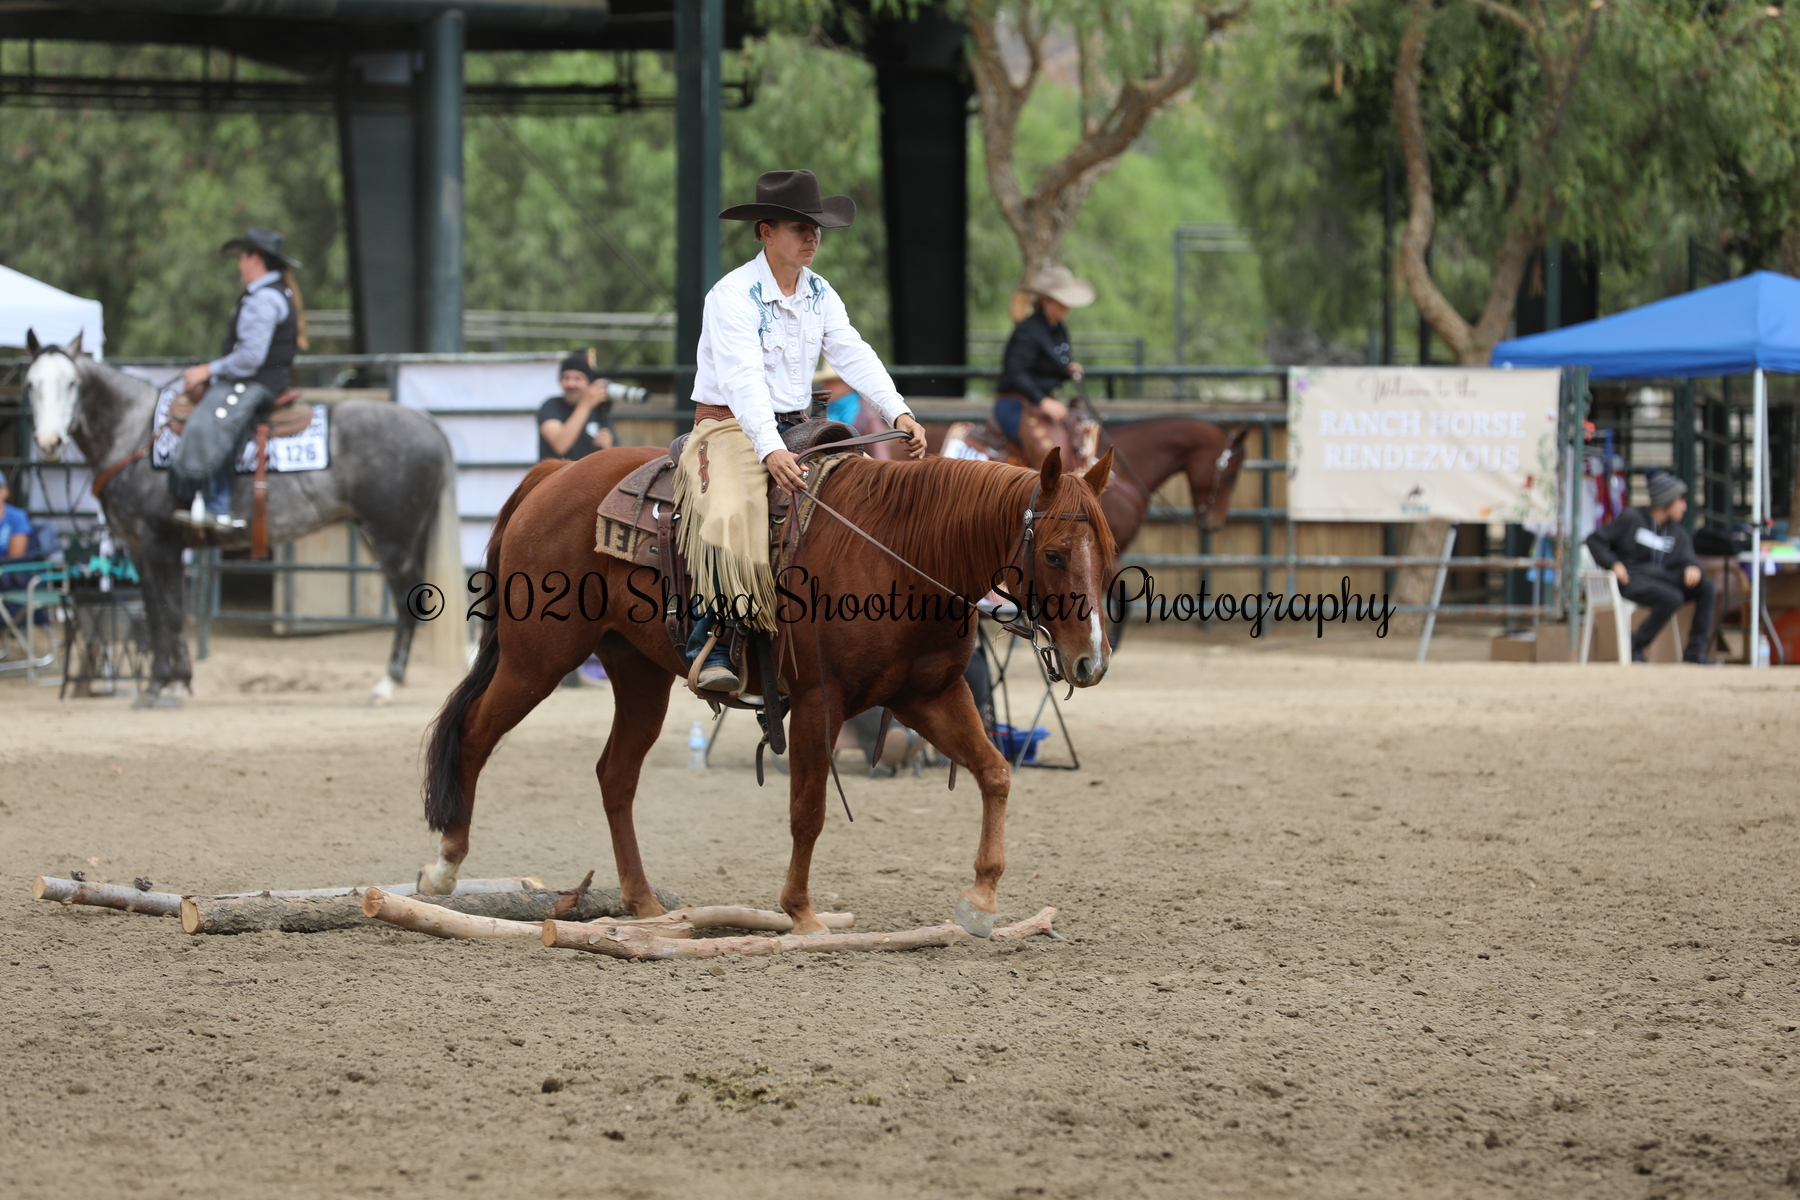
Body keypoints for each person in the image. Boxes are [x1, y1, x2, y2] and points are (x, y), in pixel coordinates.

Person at [679, 168, 928, 691]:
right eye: (799, 226)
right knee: (732, 508)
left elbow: (852, 352)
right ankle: (715, 638)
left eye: (816, 227)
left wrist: (897, 413)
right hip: (729, 426)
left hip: (800, 424)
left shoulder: (819, 291)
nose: (812, 236)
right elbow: (743, 379)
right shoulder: (732, 295)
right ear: (765, 232)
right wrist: (770, 448)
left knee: (871, 496)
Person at [171, 227, 307, 528]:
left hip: (258, 382)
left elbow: (250, 358)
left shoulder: (263, 299)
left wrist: (209, 370)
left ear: (255, 259)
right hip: (264, 380)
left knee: (214, 419)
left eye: (242, 257)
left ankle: (217, 506)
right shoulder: (271, 294)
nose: (239, 265)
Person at [1585, 470, 1718, 664]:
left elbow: (1689, 559)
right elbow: (1594, 540)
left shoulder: (1677, 532)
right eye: (1680, 501)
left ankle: (1695, 652)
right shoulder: (1632, 518)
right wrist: (1614, 564)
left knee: (1706, 587)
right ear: (1666, 500)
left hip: (1665, 581)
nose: (1685, 507)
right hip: (1632, 580)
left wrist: (1694, 567)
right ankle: (1635, 646)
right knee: (1673, 597)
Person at [993, 265, 1094, 469]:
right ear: (1046, 300)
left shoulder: (1058, 328)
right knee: (1050, 456)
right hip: (1016, 405)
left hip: (1042, 405)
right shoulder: (1028, 331)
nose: (1067, 305)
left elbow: (1048, 363)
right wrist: (1042, 401)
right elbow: (1015, 372)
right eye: (1062, 300)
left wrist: (1066, 369)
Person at [538, 349, 616, 461]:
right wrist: (586, 404)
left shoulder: (599, 410)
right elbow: (560, 446)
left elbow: (614, 452)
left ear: (589, 382)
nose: (571, 384)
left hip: (589, 472)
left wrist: (608, 447)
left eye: (578, 378)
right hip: (558, 472)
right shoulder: (551, 406)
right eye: (566, 378)